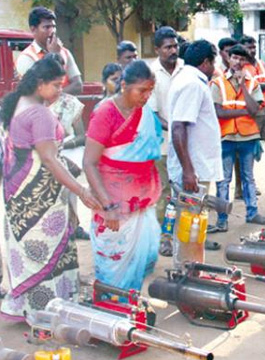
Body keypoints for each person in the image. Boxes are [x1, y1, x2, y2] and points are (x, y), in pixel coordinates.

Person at [0, 55, 101, 321]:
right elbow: (49, 159)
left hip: (18, 197)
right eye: (56, 85)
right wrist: (81, 191)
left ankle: (26, 305)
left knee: (28, 251)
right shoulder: (40, 114)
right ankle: (49, 309)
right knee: (47, 250)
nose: (60, 91)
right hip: (41, 199)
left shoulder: (17, 103)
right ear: (40, 83)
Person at [83, 60, 162, 291]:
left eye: (150, 90)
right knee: (114, 258)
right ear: (124, 85)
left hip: (141, 198)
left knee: (143, 254)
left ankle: (129, 303)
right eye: (142, 90)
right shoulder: (106, 113)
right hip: (112, 199)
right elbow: (89, 163)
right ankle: (111, 306)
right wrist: (108, 206)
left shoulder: (144, 112)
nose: (146, 96)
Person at [167, 40, 225, 265]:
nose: (215, 66)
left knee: (193, 226)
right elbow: (178, 126)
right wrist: (188, 171)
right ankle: (188, 273)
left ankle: (190, 269)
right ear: (205, 62)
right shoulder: (192, 84)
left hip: (196, 168)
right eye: (214, 61)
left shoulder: (190, 80)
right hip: (193, 172)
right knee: (191, 226)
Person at [210, 44, 265, 229]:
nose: (237, 62)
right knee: (224, 179)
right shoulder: (218, 82)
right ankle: (222, 219)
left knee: (248, 177)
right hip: (227, 137)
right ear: (228, 59)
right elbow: (219, 112)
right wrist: (244, 111)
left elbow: (254, 110)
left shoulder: (251, 83)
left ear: (245, 62)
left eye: (241, 59)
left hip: (247, 137)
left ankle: (252, 213)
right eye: (234, 57)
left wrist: (243, 85)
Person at [146, 26, 185, 257]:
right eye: (168, 47)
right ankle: (165, 237)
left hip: (185, 145)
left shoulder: (185, 69)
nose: (173, 50)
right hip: (163, 146)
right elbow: (152, 113)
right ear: (157, 49)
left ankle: (184, 237)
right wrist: (175, 129)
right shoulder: (151, 74)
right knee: (164, 194)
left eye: (175, 46)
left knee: (186, 193)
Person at [48, 84, 88, 241]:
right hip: (45, 155)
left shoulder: (70, 103)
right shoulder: (35, 103)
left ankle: (73, 227)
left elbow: (81, 136)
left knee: (69, 189)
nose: (57, 86)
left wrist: (63, 145)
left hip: (67, 153)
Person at [241, 34, 265, 203]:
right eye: (249, 47)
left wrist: (261, 84)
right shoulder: (241, 67)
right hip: (251, 114)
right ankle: (248, 186)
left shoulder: (261, 63)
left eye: (254, 46)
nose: (252, 50)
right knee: (248, 151)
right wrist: (263, 85)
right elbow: (253, 87)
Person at [15, 7, 83, 95]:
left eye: (54, 27)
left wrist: (57, 96)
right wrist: (53, 56)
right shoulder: (26, 57)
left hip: (64, 108)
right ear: (33, 29)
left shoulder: (64, 52)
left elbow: (77, 86)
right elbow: (40, 91)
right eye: (46, 27)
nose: (52, 31)